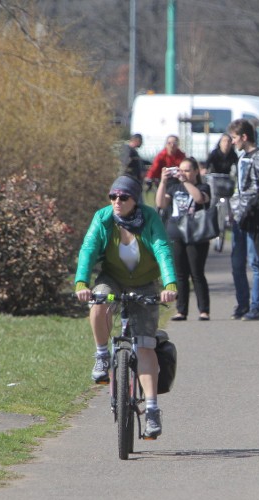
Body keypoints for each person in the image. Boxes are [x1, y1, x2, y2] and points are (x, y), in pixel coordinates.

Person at [74, 175, 178, 439]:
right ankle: (101, 355)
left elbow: (162, 248)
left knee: (145, 345)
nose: (117, 202)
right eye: (113, 197)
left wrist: (170, 285)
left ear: (135, 200)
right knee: (99, 300)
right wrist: (81, 282)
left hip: (145, 283)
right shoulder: (103, 218)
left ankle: (152, 410)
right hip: (113, 279)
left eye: (123, 197)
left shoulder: (149, 219)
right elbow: (88, 248)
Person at [228, 118, 259, 321]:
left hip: (254, 219)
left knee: (255, 263)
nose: (232, 142)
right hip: (239, 217)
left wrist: (256, 206)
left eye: (234, 138)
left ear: (244, 137)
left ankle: (256, 307)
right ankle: (242, 304)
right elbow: (238, 187)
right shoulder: (241, 158)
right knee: (236, 263)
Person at [156, 157, 212, 322]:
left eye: (187, 170)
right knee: (180, 274)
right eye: (181, 170)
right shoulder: (174, 187)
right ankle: (181, 310)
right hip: (176, 233)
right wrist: (163, 182)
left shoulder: (203, 187)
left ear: (195, 171)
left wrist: (186, 182)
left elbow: (200, 199)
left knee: (197, 273)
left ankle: (204, 310)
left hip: (196, 234)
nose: (183, 173)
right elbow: (161, 203)